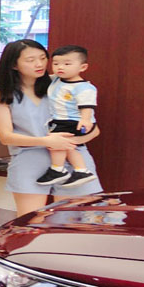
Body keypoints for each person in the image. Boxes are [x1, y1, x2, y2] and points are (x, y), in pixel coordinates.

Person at [0, 39, 102, 217]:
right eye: (31, 60)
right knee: (31, 221)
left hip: (74, 157)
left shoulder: (61, 84)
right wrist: (48, 141)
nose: (39, 64)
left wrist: (69, 142)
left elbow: (94, 130)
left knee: (74, 220)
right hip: (29, 159)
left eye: (43, 58)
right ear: (14, 65)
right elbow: (5, 136)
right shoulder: (2, 96)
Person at [36, 45, 98, 187]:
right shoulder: (57, 80)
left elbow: (87, 106)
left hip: (74, 121)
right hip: (62, 120)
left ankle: (57, 169)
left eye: (67, 64)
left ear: (83, 67)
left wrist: (85, 120)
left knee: (56, 144)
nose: (60, 67)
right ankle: (81, 170)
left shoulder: (84, 87)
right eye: (56, 63)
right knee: (68, 146)